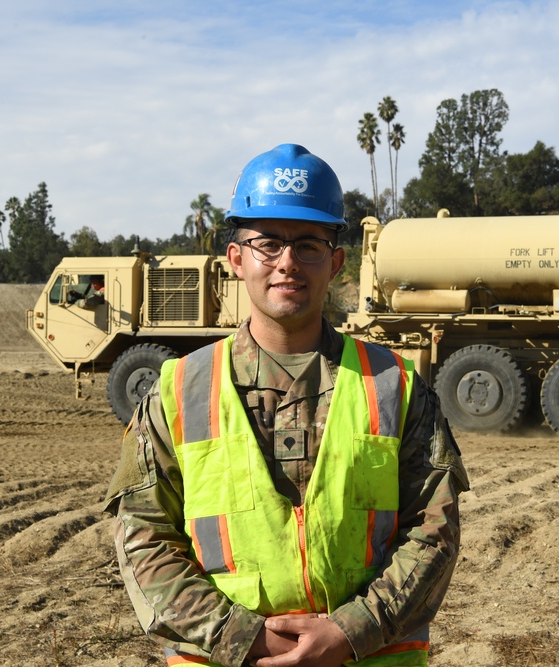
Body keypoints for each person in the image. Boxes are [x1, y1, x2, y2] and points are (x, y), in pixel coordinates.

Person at [104, 143, 468, 667]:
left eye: (309, 244)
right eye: (267, 244)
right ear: (236, 259)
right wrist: (243, 637)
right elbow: (144, 535)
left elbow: (434, 530)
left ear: (337, 262)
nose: (288, 263)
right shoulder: (178, 389)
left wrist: (351, 633)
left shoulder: (395, 385)